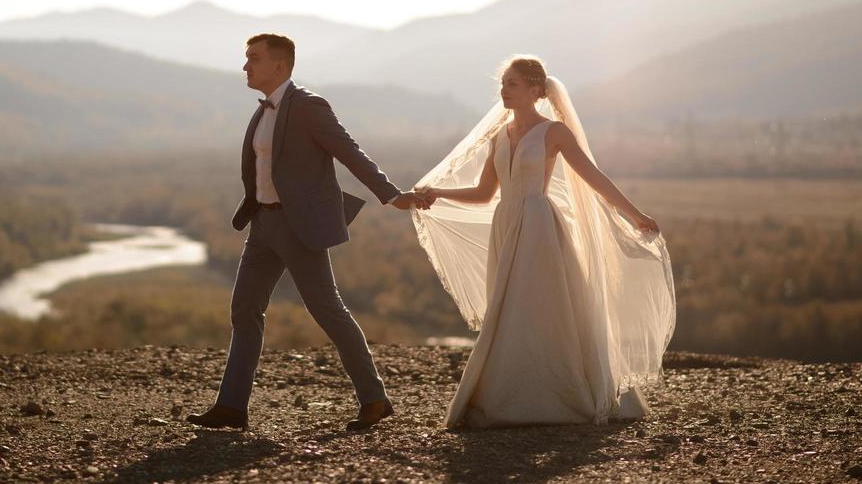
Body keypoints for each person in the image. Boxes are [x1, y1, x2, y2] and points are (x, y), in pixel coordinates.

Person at [410, 55, 675, 427]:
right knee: (508, 307)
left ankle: (557, 393)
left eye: (512, 84)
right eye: (502, 84)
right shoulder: (498, 136)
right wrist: (438, 192)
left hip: (539, 227)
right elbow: (485, 193)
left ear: (535, 90)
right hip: (506, 223)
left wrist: (635, 215)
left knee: (539, 308)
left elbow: (593, 178)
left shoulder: (554, 132)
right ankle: (509, 391)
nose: (504, 90)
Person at [187, 33, 430, 431]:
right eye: (246, 58)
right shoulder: (263, 110)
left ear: (279, 65)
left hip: (299, 227)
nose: (245, 65)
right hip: (262, 224)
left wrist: (390, 195)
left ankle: (374, 398)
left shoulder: (309, 107)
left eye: (253, 58)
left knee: (327, 310)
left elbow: (350, 151)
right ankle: (232, 408)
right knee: (244, 311)